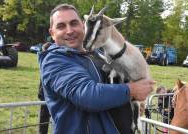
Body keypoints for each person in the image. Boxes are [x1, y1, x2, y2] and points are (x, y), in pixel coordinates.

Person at [38, 3, 155, 134]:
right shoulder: (54, 61)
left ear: (83, 25)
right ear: (52, 33)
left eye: (74, 23)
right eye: (61, 26)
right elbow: (87, 96)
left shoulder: (94, 55)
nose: (69, 30)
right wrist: (132, 90)